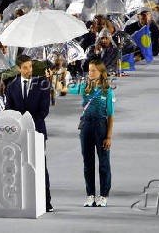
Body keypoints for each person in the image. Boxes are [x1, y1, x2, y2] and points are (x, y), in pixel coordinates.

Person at [4, 54, 53, 212]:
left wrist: (28, 123)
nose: (28, 70)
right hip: (18, 134)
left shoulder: (43, 84)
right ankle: (22, 201)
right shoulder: (11, 87)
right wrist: (17, 125)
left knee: (40, 167)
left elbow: (44, 111)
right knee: (18, 167)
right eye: (25, 67)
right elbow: (9, 110)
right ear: (19, 68)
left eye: (30, 66)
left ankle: (46, 202)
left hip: (37, 132)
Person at [69, 59, 115, 207]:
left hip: (101, 126)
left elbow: (111, 115)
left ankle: (103, 195)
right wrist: (56, 77)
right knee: (87, 163)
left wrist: (108, 136)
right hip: (86, 126)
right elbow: (66, 89)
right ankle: (90, 195)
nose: (90, 73)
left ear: (101, 72)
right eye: (89, 70)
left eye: (93, 70)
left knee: (103, 163)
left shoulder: (108, 91)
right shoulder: (85, 88)